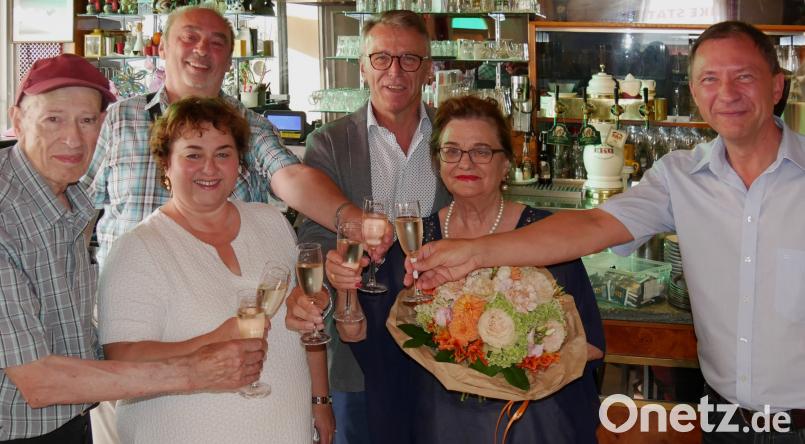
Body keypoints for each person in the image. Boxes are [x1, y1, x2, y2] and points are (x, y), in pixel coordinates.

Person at [411, 21, 805, 442]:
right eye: (710, 78)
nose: (726, 93)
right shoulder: (680, 176)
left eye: (743, 76)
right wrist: (473, 254)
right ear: (694, 93)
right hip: (724, 420)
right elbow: (592, 224)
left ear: (777, 87)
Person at [0, 54, 265, 442]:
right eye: (53, 118)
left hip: (70, 423)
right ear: (18, 119)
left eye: (87, 120)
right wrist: (195, 373)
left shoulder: (71, 198)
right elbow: (39, 382)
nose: (73, 138)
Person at [312, 95, 605, 442]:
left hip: (532, 425)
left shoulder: (545, 237)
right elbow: (371, 347)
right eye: (452, 151)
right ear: (438, 162)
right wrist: (346, 289)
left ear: (506, 163)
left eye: (482, 151)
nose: (466, 162)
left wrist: (520, 358)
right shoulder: (414, 242)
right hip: (437, 426)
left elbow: (591, 346)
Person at [96, 96, 334, 444]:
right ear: (165, 163)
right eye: (193, 155)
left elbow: (305, 324)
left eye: (223, 153)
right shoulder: (138, 248)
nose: (209, 168)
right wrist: (213, 339)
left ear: (239, 162)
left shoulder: (271, 222)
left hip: (285, 429)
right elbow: (123, 360)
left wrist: (320, 400)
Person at [81, 4, 362, 267]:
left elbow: (291, 176)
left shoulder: (248, 125)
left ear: (228, 60)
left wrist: (351, 221)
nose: (202, 49)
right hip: (130, 296)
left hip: (224, 298)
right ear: (163, 49)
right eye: (189, 37)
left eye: (216, 43)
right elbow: (80, 209)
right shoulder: (119, 119)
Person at [292, 10, 451, 444]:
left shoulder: (453, 139)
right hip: (357, 345)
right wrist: (332, 263)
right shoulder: (329, 142)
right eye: (381, 58)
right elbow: (314, 232)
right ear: (362, 67)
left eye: (409, 59)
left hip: (440, 345)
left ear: (430, 68)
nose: (394, 71)